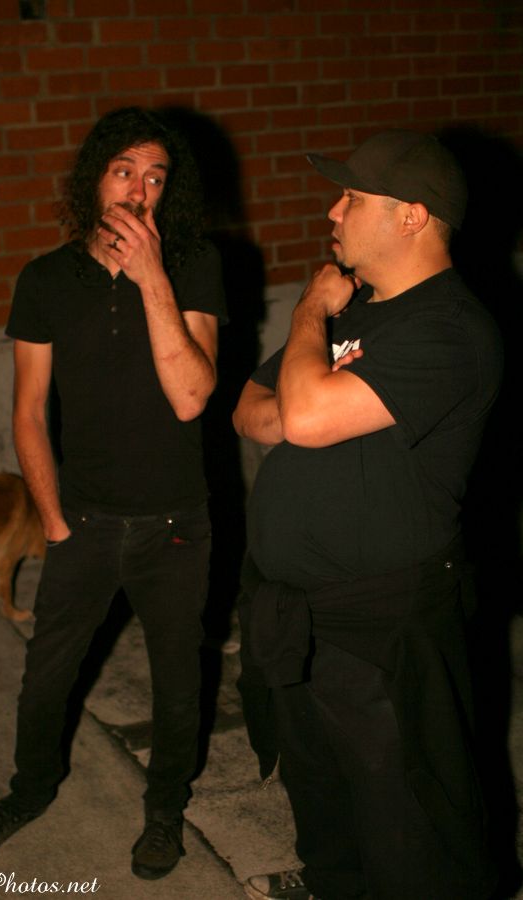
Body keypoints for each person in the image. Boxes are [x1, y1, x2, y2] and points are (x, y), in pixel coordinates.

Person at [0, 106, 227, 880]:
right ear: (94, 180)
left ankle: (164, 811)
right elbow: (27, 412)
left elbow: (192, 396)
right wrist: (52, 521)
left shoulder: (194, 264)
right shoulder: (45, 280)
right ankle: (30, 790)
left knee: (178, 680)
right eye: (124, 172)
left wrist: (153, 278)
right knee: (47, 673)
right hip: (81, 519)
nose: (139, 191)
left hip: (175, 521)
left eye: (155, 178)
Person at [233, 130, 502, 900]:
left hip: (382, 627)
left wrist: (310, 317)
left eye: (351, 197)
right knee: (324, 809)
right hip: (296, 614)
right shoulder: (358, 314)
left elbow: (303, 416)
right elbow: (251, 410)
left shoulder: (448, 327)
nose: (333, 211)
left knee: (408, 822)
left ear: (411, 215)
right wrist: (306, 398)